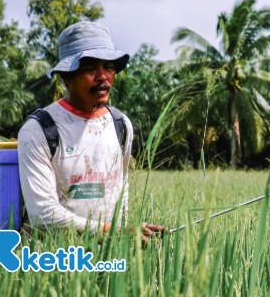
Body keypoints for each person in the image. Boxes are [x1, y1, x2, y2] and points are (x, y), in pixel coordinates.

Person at [18, 21, 165, 244]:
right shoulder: (39, 130)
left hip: (107, 255)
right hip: (52, 260)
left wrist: (126, 234)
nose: (102, 76)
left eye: (109, 66)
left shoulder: (120, 124)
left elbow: (120, 195)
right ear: (66, 75)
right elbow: (43, 215)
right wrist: (112, 231)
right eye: (89, 68)